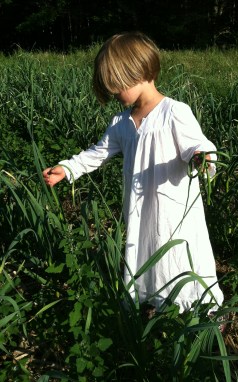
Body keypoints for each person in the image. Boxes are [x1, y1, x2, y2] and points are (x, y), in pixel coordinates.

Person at [43, 31, 224, 314]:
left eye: (115, 86)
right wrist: (67, 168)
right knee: (145, 250)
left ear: (138, 71)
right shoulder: (122, 122)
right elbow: (98, 152)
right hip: (139, 208)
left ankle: (203, 310)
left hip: (173, 209)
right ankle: (156, 301)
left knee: (178, 252)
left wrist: (201, 158)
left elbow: (197, 146)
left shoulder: (174, 113)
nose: (113, 93)